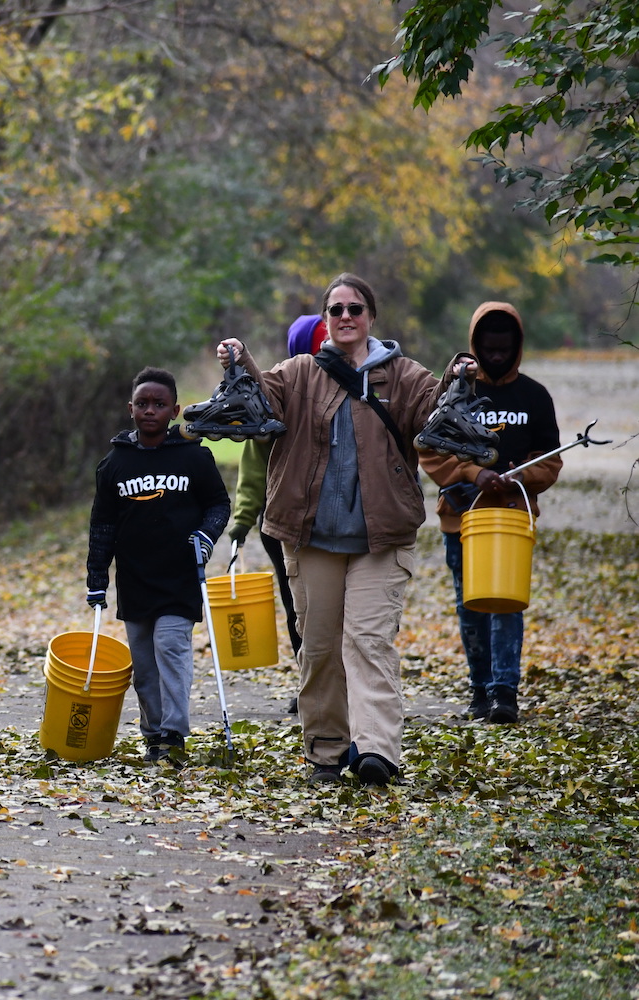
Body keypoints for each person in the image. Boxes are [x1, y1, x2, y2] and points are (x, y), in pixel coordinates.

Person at [214, 273, 473, 787]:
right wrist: (239, 359)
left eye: (356, 308)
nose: (346, 317)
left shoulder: (402, 374)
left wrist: (456, 376)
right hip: (312, 538)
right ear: (325, 320)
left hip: (381, 538)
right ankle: (327, 751)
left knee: (369, 640)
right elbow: (262, 399)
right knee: (320, 646)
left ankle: (377, 750)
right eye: (336, 310)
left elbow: (433, 412)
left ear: (371, 316)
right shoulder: (300, 372)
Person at [419, 302, 560, 725]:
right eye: (489, 350)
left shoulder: (534, 396)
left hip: (512, 518)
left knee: (507, 603)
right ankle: (479, 689)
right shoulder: (456, 393)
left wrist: (514, 478)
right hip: (462, 520)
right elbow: (428, 449)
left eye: (504, 350)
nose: (496, 357)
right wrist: (475, 473)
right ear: (475, 345)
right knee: (470, 606)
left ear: (516, 347)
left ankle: (504, 693)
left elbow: (550, 460)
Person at [85, 367, 231, 763]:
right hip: (134, 580)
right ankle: (153, 735)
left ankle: (173, 734)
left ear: (175, 410)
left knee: (171, 648)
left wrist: (206, 535)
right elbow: (102, 525)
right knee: (145, 668)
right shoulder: (113, 464)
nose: (151, 411)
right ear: (130, 408)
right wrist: (97, 576)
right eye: (143, 404)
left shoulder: (194, 457)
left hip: (181, 577)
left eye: (160, 405)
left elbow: (219, 504)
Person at [227, 314, 328, 711]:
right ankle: (310, 686)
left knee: (334, 609)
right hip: (282, 525)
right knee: (297, 605)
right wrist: (242, 520)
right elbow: (254, 471)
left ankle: (340, 685)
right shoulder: (274, 402)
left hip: (335, 519)